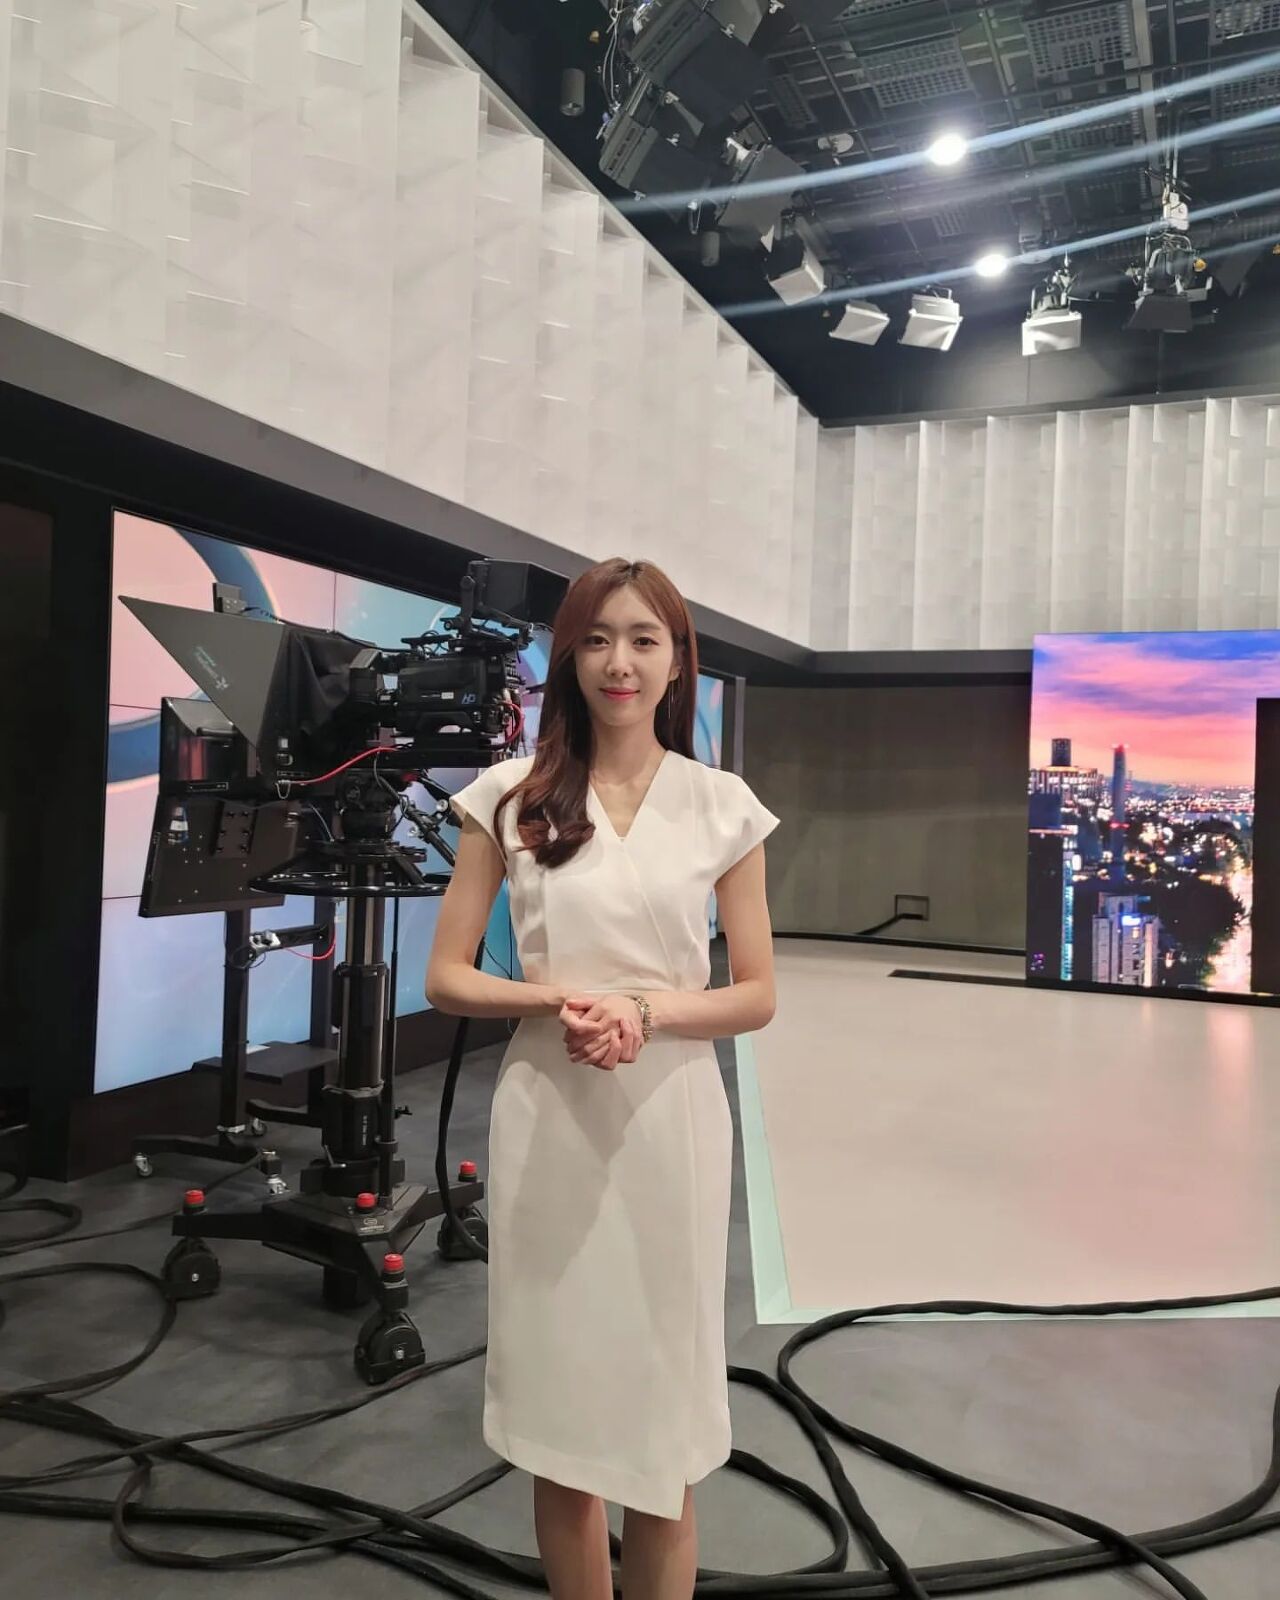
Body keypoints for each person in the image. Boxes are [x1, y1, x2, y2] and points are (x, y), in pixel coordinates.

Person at [426, 557, 779, 1600]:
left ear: (676, 661)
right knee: (564, 1422)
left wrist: (646, 1012)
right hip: (550, 1114)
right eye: (594, 639)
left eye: (641, 639)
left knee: (663, 1435)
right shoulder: (508, 797)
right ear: (568, 657)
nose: (617, 662)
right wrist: (560, 1002)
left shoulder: (722, 806)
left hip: (670, 1118)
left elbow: (756, 993)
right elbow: (446, 976)